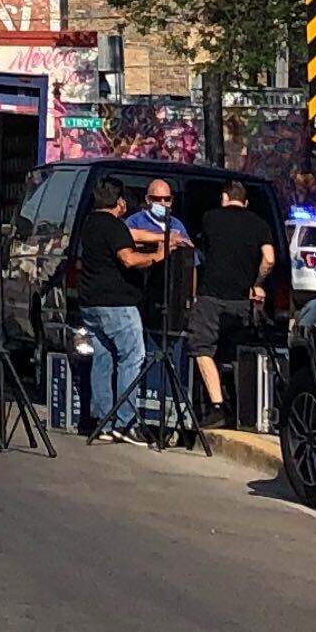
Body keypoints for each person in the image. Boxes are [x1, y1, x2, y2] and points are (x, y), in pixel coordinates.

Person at [191, 178, 276, 432]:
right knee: (238, 351)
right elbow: (269, 259)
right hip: (242, 299)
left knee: (202, 348)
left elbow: (200, 254)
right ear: (246, 202)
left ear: (224, 198)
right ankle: (246, 410)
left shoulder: (210, 218)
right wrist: (257, 282)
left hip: (211, 297)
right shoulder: (259, 224)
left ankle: (217, 407)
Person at [70, 175, 150, 442]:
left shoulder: (90, 223)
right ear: (120, 202)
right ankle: (124, 421)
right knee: (132, 357)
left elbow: (132, 235)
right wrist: (155, 256)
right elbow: (128, 258)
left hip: (91, 303)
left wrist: (165, 237)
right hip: (118, 304)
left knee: (102, 360)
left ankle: (104, 421)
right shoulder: (114, 225)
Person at [128, 177, 196, 444]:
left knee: (173, 364)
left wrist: (191, 298)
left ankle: (170, 424)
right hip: (143, 303)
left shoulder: (178, 226)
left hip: (173, 307)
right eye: (158, 199)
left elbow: (192, 263)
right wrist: (165, 242)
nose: (163, 204)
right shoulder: (135, 222)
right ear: (148, 200)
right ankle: (140, 418)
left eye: (167, 200)